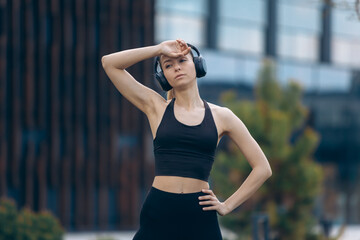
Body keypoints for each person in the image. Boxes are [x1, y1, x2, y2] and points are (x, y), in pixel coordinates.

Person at [101, 39, 272, 240]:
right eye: (168, 65)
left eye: (182, 61)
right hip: (159, 210)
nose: (176, 68)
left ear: (197, 65)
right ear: (163, 77)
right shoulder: (156, 107)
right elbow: (109, 63)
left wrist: (227, 205)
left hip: (200, 214)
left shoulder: (222, 116)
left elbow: (263, 168)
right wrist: (158, 49)